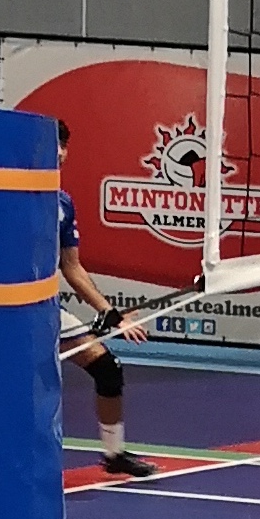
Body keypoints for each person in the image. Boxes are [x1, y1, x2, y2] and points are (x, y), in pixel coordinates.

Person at [56, 119, 156, 478]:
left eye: (64, 145)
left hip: (46, 308)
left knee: (108, 368)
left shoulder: (62, 203)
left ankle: (113, 455)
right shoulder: (10, 197)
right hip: (7, 310)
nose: (60, 152)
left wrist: (111, 314)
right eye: (53, 144)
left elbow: (72, 267)